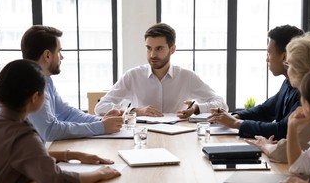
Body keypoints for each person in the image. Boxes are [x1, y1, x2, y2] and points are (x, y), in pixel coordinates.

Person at [0, 25, 123, 142]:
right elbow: (50, 131)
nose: (62, 57)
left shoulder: (45, 79)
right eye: (59, 51)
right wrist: (101, 127)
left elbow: (66, 113)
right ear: (47, 55)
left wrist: (100, 121)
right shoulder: (27, 84)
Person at [246, 33, 310, 162]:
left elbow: (285, 154)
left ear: (300, 70)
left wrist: (265, 145)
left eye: (289, 65)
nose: (287, 69)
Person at [94, 22, 228, 118]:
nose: (152, 55)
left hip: (179, 137)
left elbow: (222, 104)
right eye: (149, 48)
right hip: (142, 136)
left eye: (159, 48)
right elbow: (100, 107)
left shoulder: (187, 77)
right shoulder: (132, 76)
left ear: (172, 49)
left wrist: (196, 108)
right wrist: (135, 110)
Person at [207, 25, 303, 139]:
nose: (267, 59)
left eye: (269, 54)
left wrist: (235, 123)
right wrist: (233, 116)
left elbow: (282, 130)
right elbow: (265, 110)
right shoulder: (287, 83)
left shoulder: (305, 90)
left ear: (284, 57)